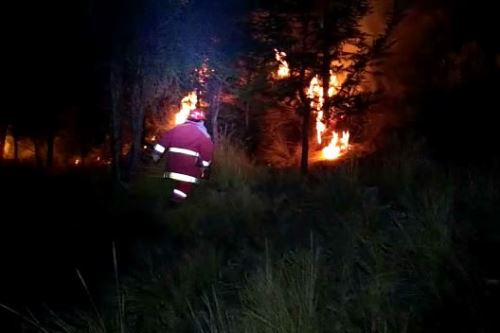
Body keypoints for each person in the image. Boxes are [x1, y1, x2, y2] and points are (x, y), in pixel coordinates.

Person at [151, 108, 214, 206]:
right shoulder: (203, 135)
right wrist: (203, 168)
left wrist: (156, 156)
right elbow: (207, 154)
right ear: (202, 120)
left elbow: (162, 143)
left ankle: (167, 200)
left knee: (176, 184)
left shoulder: (176, 129)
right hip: (188, 170)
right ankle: (174, 204)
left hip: (171, 167)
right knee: (183, 187)